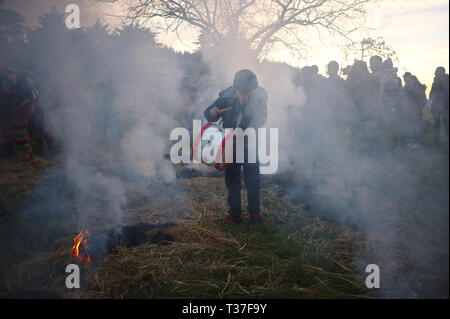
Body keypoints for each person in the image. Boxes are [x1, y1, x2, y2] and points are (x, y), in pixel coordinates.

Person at [204, 69, 267, 225]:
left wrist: (245, 106)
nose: (245, 93)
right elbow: (208, 113)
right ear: (236, 88)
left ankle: (255, 212)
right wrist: (212, 113)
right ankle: (234, 214)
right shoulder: (226, 96)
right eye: (242, 91)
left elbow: (261, 120)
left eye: (248, 91)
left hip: (249, 143)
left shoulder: (260, 97)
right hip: (230, 145)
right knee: (232, 179)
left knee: (252, 179)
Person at [0, 69, 36, 160]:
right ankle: (8, 153)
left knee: (18, 128)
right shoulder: (6, 90)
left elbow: (25, 102)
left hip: (24, 107)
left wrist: (14, 109)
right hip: (11, 110)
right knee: (6, 128)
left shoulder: (22, 91)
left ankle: (25, 155)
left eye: (6, 84)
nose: (4, 86)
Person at [400, 73, 426, 149]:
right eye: (404, 79)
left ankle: (418, 143)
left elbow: (423, 100)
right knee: (409, 127)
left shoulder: (419, 88)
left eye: (407, 79)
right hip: (407, 111)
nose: (405, 80)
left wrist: (418, 107)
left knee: (417, 127)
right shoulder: (405, 88)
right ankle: (411, 142)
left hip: (416, 111)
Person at [429, 66, 449, 147]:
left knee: (447, 125)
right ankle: (437, 142)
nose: (436, 73)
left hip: (446, 107)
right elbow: (431, 95)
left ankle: (447, 142)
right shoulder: (435, 83)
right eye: (436, 72)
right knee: (436, 125)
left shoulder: (447, 81)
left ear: (442, 73)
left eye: (438, 72)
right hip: (436, 108)